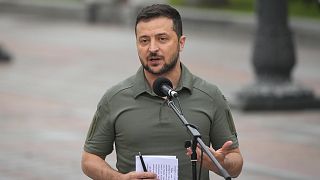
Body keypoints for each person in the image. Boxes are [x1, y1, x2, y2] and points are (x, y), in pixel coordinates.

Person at [81, 4, 243, 180]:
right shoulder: (115, 98)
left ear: (181, 43)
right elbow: (90, 159)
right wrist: (118, 179)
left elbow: (235, 163)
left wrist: (220, 164)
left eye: (162, 39)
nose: (152, 48)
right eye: (144, 40)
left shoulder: (209, 95)